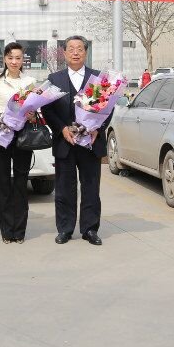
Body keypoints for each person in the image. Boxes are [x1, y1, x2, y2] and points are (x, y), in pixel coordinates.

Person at [43, 35, 111, 247]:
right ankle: (65, 228)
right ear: (64, 53)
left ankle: (90, 229)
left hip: (90, 142)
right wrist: (61, 128)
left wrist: (97, 129)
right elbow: (47, 108)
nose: (75, 52)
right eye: (71, 48)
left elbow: (108, 108)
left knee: (91, 187)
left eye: (79, 48)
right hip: (65, 142)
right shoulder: (54, 79)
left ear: (85, 52)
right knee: (64, 188)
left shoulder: (98, 78)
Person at [0, 42, 37, 244]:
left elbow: (35, 110)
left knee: (21, 182)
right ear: (5, 59)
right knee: (3, 183)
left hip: (23, 135)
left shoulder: (30, 81)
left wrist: (33, 115)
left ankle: (20, 230)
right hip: (0, 135)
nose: (15, 62)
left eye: (18, 58)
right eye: (11, 58)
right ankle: (7, 230)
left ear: (23, 59)